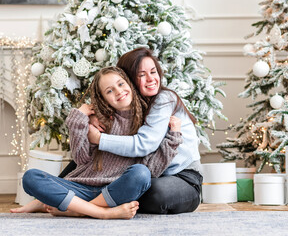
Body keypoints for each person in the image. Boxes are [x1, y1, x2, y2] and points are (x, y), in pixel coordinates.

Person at [10, 66, 183, 219]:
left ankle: (77, 209)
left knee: (141, 174)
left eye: (121, 84)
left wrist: (174, 136)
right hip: (81, 187)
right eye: (109, 91)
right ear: (102, 98)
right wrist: (78, 118)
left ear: (129, 84)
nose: (118, 91)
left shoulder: (149, 120)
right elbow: (81, 158)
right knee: (31, 177)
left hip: (115, 191)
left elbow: (153, 169)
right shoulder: (99, 121)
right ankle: (101, 212)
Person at [87, 47, 203, 214]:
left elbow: (144, 144)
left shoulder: (164, 99)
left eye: (153, 71)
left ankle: (85, 206)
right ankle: (58, 193)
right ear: (129, 80)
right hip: (153, 175)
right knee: (93, 160)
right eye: (141, 75)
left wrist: (99, 138)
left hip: (184, 179)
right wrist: (91, 117)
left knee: (153, 192)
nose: (150, 79)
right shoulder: (132, 104)